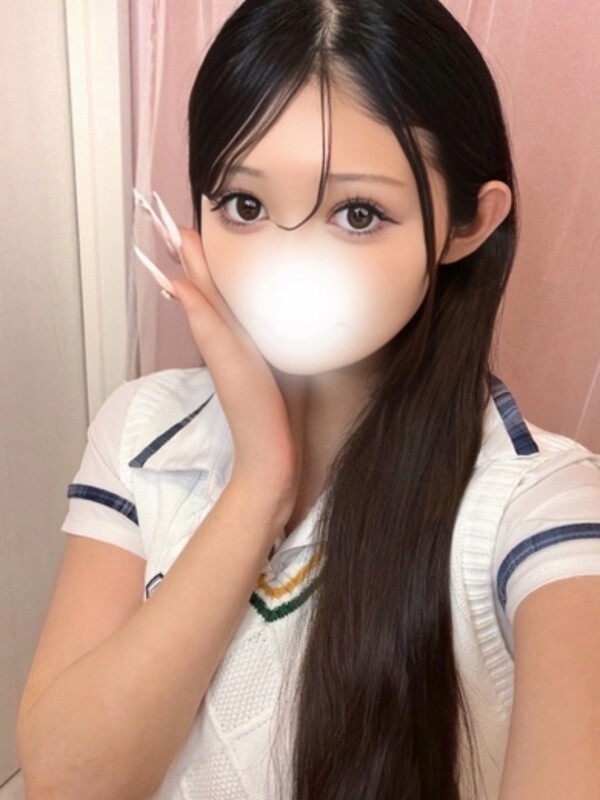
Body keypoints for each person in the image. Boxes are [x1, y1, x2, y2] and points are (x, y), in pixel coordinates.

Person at [16, 0, 600, 798]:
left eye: (357, 213)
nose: (285, 262)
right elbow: (69, 781)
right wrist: (260, 480)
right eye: (244, 205)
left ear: (466, 225)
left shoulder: (540, 505)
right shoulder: (143, 429)